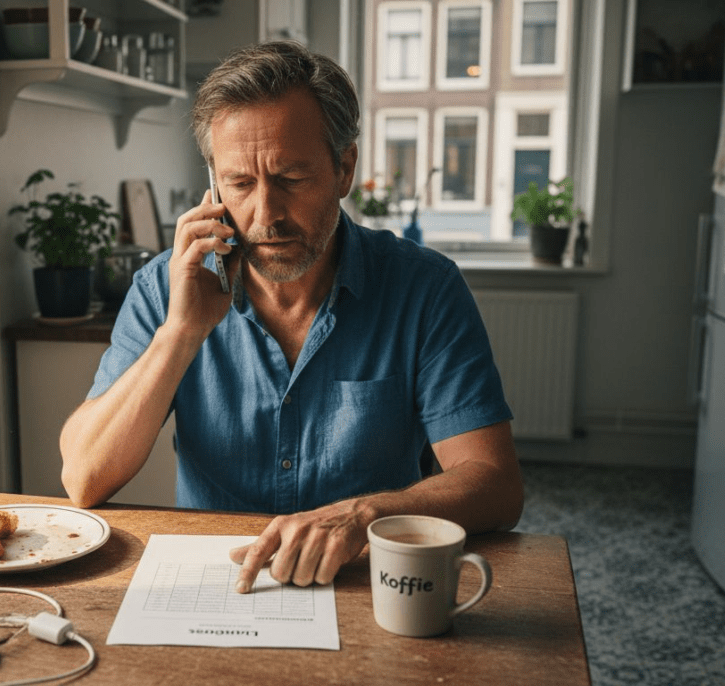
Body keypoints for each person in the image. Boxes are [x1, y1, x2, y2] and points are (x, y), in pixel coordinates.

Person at [59, 41, 523, 594]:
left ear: (344, 168)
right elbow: (84, 479)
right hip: (216, 587)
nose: (266, 215)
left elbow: (496, 484)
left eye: (291, 179)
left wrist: (360, 515)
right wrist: (180, 333)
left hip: (365, 582)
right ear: (213, 184)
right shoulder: (165, 286)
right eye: (240, 184)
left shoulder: (425, 288)